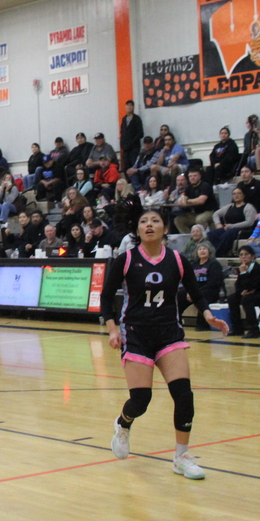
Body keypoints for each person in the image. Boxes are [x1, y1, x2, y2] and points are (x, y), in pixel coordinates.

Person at [101, 194, 229, 481]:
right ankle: (123, 424)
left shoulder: (177, 260)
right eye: (144, 221)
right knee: (141, 400)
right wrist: (112, 330)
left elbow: (197, 293)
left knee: (184, 396)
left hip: (169, 335)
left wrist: (208, 314)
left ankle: (181, 457)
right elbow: (106, 298)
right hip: (135, 336)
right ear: (137, 230)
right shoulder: (126, 259)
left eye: (155, 221)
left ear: (165, 229)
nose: (149, 224)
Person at [226, 245, 260, 338]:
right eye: (241, 255)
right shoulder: (241, 268)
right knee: (232, 298)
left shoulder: (257, 268)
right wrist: (241, 292)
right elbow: (238, 286)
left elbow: (251, 287)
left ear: (253, 256)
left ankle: (254, 330)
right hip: (255, 292)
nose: (244, 257)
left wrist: (244, 274)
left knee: (247, 299)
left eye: (246, 254)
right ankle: (237, 328)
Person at [177, 242, 224, 330]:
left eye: (204, 249)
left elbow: (213, 283)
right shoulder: (194, 264)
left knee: (203, 296)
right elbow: (188, 281)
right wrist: (189, 291)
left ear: (209, 251)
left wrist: (195, 293)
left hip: (210, 290)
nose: (202, 251)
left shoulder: (214, 264)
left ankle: (202, 326)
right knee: (180, 295)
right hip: (195, 290)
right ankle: (177, 322)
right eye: (200, 249)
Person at [172, 168, 217, 234]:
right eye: (190, 176)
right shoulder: (188, 188)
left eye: (195, 176)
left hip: (209, 211)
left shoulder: (205, 186)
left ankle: (204, 238)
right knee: (178, 220)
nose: (192, 178)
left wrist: (187, 201)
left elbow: (201, 200)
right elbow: (182, 198)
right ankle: (188, 239)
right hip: (195, 213)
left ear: (199, 176)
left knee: (200, 219)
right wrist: (181, 200)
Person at [120, 100, 143, 171]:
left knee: (134, 165)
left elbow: (140, 134)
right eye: (128, 105)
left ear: (133, 107)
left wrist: (131, 142)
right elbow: (122, 132)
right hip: (125, 148)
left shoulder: (137, 119)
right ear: (125, 107)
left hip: (134, 148)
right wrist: (122, 144)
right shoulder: (124, 119)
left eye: (131, 105)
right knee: (126, 166)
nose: (129, 107)